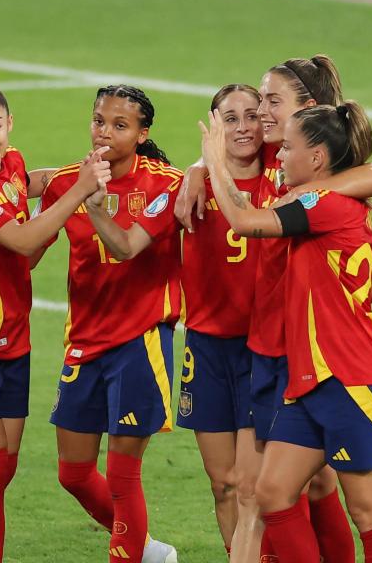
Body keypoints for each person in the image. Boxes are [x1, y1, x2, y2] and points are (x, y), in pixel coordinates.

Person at [200, 102, 372, 563]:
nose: (279, 157)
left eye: (288, 148)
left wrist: (213, 157)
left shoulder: (323, 204)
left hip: (355, 380)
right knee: (273, 492)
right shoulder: (330, 203)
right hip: (314, 380)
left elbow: (246, 222)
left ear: (316, 158)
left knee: (369, 512)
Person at [0, 70, 110, 562]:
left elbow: (30, 189)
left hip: (13, 339)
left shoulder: (10, 164)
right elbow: (26, 241)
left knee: (0, 470)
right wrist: (78, 192)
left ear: (10, 123)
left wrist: (89, 166)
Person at [84, 83, 265, 561]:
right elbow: (128, 244)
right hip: (205, 348)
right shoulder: (188, 184)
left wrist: (206, 166)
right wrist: (200, 168)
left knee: (254, 487)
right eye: (230, 117)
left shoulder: (278, 181)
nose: (242, 127)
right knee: (223, 484)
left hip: (262, 349)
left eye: (252, 116)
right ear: (213, 125)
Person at [32, 85, 180, 563]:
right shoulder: (68, 183)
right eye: (99, 121)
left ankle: (131, 554)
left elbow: (125, 248)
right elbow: (28, 252)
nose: (105, 132)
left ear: (142, 134)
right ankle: (148, 550)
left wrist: (93, 206)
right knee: (73, 474)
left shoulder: (166, 183)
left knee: (122, 475)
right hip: (85, 342)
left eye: (120, 125)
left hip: (139, 341)